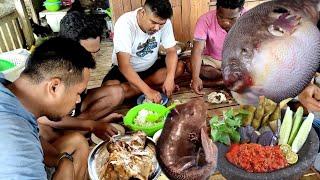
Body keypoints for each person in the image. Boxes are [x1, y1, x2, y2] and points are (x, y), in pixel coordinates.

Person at [0, 37, 95, 179]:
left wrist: (62, 160)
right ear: (54, 87)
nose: (78, 100)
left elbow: (36, 137)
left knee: (78, 142)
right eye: (78, 93)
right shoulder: (16, 140)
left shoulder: (10, 93)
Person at [38, 11, 124, 142]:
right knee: (46, 134)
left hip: (74, 110)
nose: (93, 58)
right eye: (89, 53)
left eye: (97, 51)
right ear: (70, 46)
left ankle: (80, 129)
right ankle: (86, 128)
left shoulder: (82, 64)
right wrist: (92, 125)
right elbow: (41, 117)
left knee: (117, 92)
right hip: (52, 118)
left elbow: (79, 99)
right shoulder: (50, 65)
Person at [102, 0, 185, 103]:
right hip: (128, 71)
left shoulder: (164, 22)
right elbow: (124, 65)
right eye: (153, 22)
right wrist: (148, 90)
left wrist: (170, 78)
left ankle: (135, 90)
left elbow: (171, 51)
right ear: (142, 13)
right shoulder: (125, 24)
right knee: (109, 89)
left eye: (161, 24)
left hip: (151, 67)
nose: (157, 28)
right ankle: (151, 88)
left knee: (179, 67)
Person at [187, 0, 245, 94]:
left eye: (232, 19)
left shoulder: (251, 19)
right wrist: (195, 78)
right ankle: (228, 81)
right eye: (221, 17)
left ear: (241, 11)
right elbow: (197, 51)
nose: (226, 23)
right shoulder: (205, 19)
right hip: (213, 61)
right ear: (216, 10)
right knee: (190, 66)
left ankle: (214, 83)